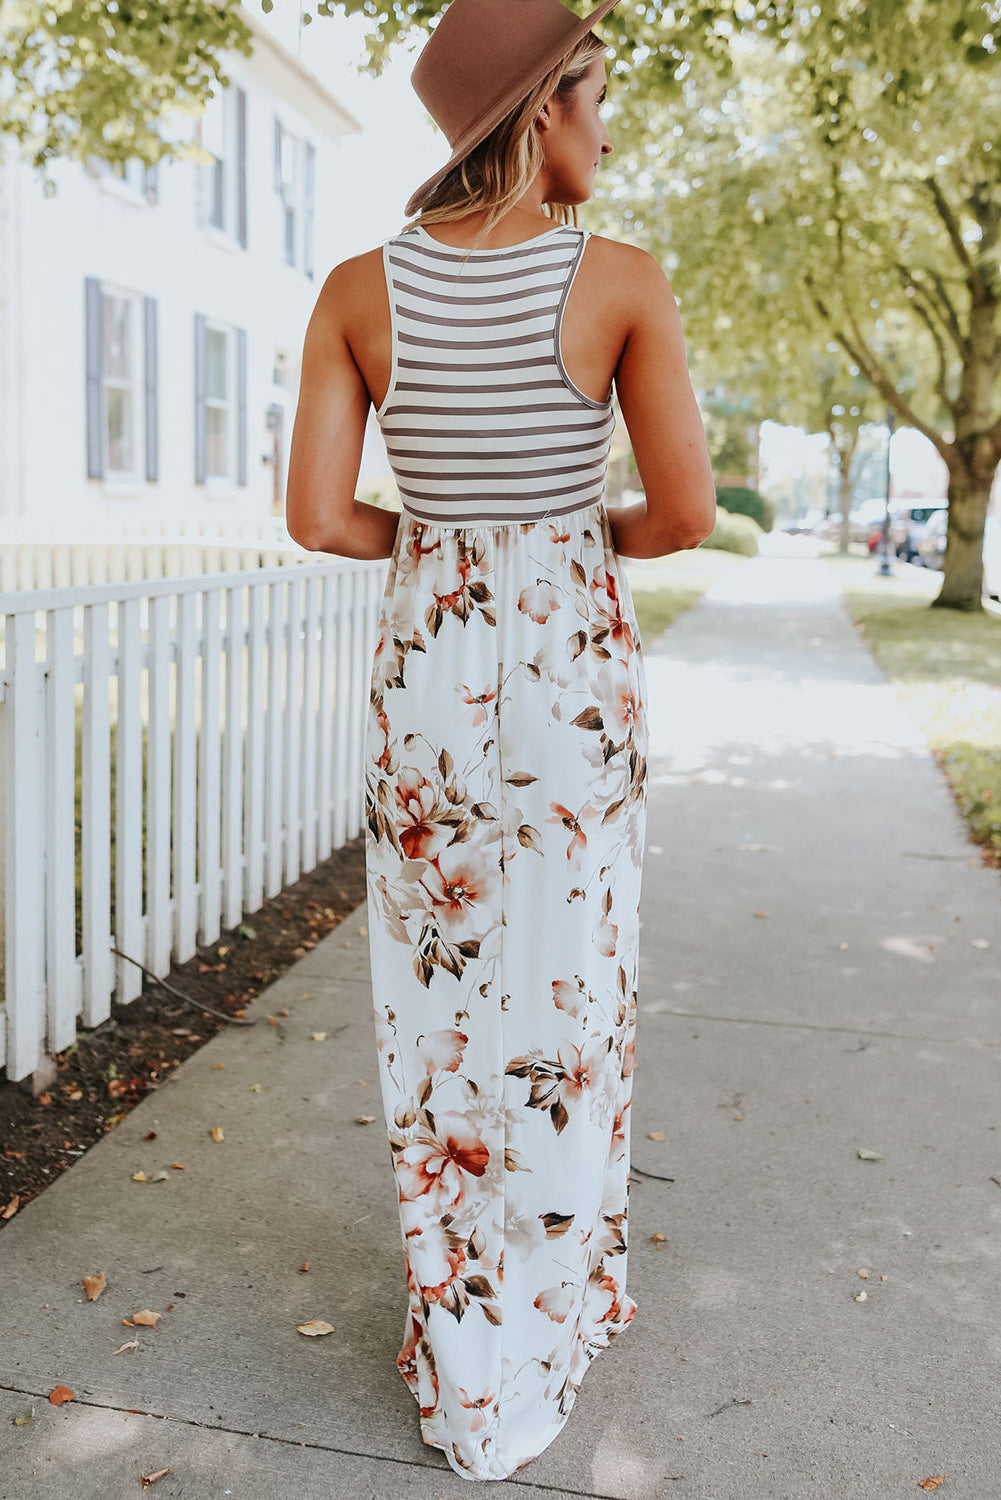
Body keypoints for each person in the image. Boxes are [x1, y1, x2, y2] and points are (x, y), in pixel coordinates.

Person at [285, 0, 716, 1480]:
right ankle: (548, 1312)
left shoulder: (357, 288)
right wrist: (555, 537)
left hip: (429, 662)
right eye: (595, 98)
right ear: (538, 111)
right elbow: (678, 516)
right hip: (566, 667)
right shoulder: (622, 284)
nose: (608, 127)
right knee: (566, 985)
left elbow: (322, 518)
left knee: (438, 995)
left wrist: (451, 540)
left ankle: (462, 1345)